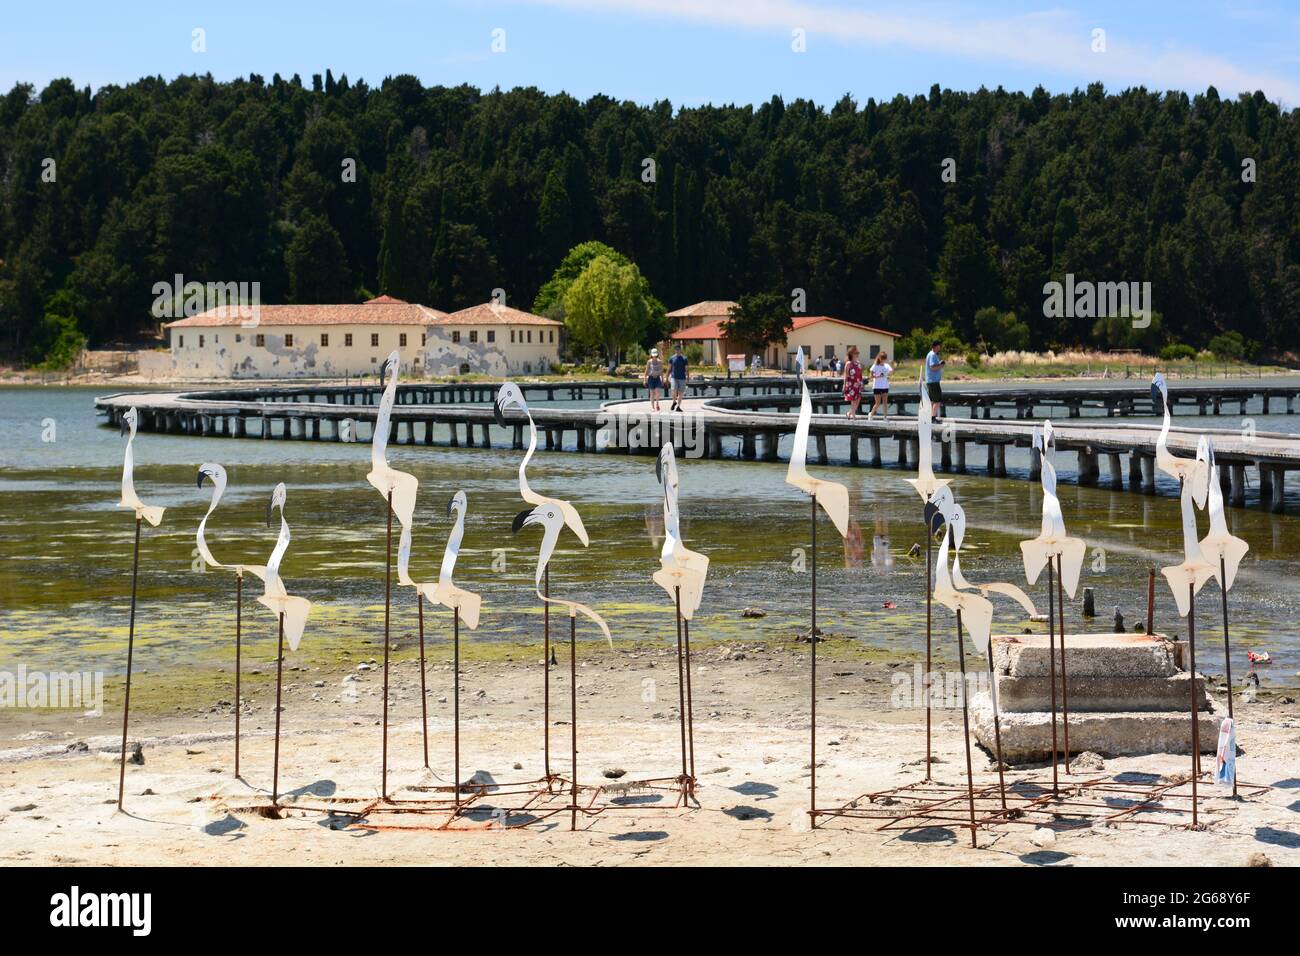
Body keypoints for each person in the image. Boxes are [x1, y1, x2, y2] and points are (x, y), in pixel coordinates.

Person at [868, 351, 893, 420]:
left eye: (885, 359)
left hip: (885, 386)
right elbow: (871, 376)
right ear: (879, 358)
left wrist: (892, 364)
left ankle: (885, 417)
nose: (883, 360)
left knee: (885, 402)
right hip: (877, 386)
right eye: (882, 358)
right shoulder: (875, 366)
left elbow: (891, 372)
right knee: (878, 403)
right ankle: (871, 414)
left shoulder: (887, 365)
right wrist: (879, 376)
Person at [925, 340, 945, 421]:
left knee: (933, 400)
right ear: (936, 346)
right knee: (937, 400)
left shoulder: (931, 354)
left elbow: (932, 365)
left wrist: (939, 363)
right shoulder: (933, 355)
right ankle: (932, 418)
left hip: (931, 381)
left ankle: (930, 417)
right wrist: (941, 365)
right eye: (939, 346)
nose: (940, 347)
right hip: (933, 381)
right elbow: (932, 367)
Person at [842, 345, 864, 419]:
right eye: (855, 353)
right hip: (851, 384)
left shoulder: (858, 363)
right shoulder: (848, 363)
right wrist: (844, 385)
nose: (857, 354)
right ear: (851, 354)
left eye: (858, 353)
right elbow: (845, 375)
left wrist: (862, 383)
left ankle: (849, 413)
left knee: (858, 399)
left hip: (858, 383)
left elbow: (860, 374)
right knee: (853, 400)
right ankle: (854, 416)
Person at [668, 344, 689, 412]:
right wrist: (666, 377)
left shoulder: (684, 358)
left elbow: (686, 369)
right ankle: (674, 402)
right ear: (675, 350)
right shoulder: (672, 358)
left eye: (678, 349)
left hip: (682, 378)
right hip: (674, 377)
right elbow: (669, 368)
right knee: (673, 390)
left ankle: (678, 406)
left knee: (680, 393)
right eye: (676, 349)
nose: (677, 350)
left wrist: (687, 377)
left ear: (680, 349)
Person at [645, 348, 664, 412]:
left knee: (657, 392)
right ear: (651, 355)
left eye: (655, 355)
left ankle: (657, 403)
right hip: (651, 378)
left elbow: (661, 371)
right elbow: (646, 371)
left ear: (657, 355)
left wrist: (663, 380)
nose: (654, 356)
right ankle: (652, 407)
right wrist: (645, 379)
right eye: (653, 355)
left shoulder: (660, 361)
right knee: (652, 393)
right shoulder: (649, 362)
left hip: (657, 378)